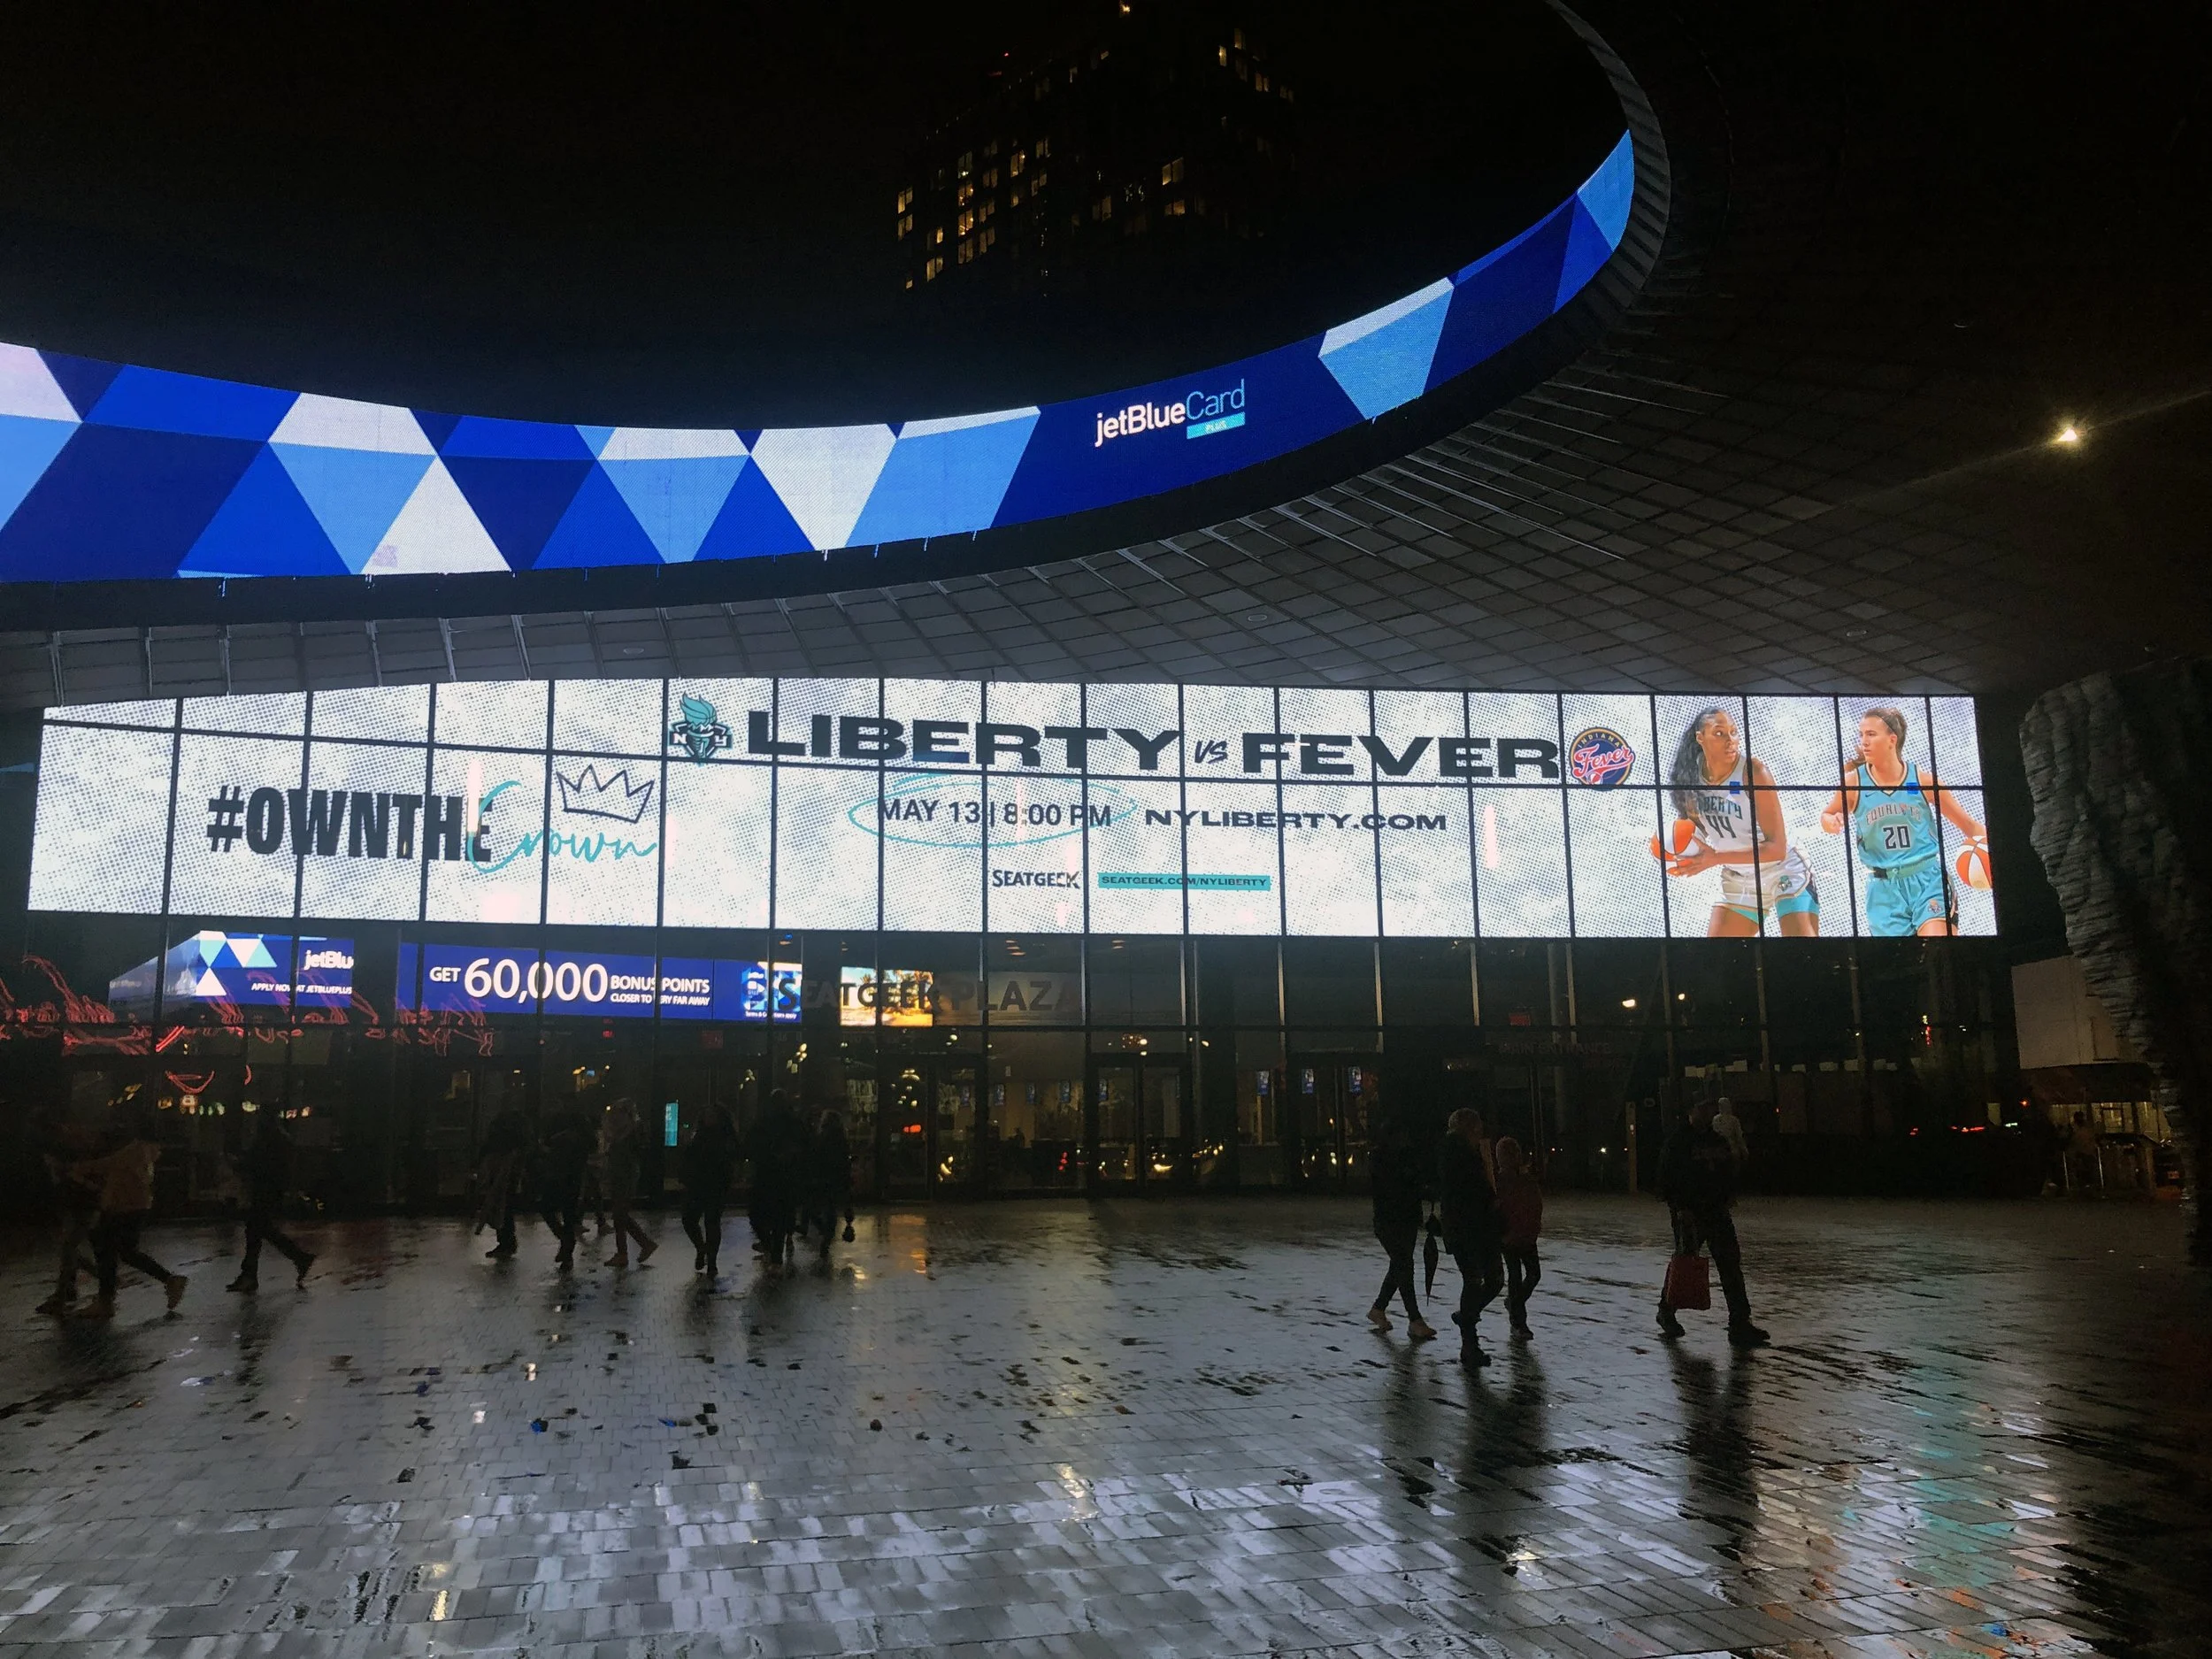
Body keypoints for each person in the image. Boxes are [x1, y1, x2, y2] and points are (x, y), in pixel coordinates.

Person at [1820, 705, 1986, 937]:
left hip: (1927, 880)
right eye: (1861, 735)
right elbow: (1827, 815)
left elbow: (1970, 826)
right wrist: (1831, 821)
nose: (1863, 742)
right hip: (1883, 888)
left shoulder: (1922, 780)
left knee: (1939, 953)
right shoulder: (1853, 783)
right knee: (1903, 967)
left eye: (1871, 734)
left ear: (1892, 739)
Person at [1663, 706, 1821, 936]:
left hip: (1782, 869)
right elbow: (1695, 827)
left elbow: (1776, 848)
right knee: (1715, 963)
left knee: (1801, 956)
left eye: (1734, 732)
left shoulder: (1753, 772)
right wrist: (1673, 849)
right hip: (1739, 877)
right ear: (1700, 738)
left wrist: (1714, 858)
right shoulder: (1690, 779)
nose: (1731, 740)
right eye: (1719, 733)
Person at [1655, 1098, 1768, 1346]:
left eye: (1709, 1108)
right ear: (1691, 1111)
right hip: (1691, 1214)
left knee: (1730, 1265)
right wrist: (1681, 1208)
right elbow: (1668, 1178)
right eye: (1702, 1108)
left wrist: (1728, 1196)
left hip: (1716, 1211)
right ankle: (1666, 1310)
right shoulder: (1678, 1142)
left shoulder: (1716, 1141)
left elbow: (1726, 1171)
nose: (1707, 1113)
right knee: (1685, 1263)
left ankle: (1740, 1322)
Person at [73, 1105, 187, 1318]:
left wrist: (81, 1167)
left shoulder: (135, 1150)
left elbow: (109, 1164)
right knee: (123, 1251)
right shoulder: (147, 1150)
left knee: (108, 1248)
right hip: (133, 1205)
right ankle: (166, 1281)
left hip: (123, 1206)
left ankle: (107, 1299)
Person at [1438, 1108, 1504, 1365]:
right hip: (1473, 1228)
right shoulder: (1461, 1156)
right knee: (1483, 1279)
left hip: (1466, 1227)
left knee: (1478, 1279)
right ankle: (1468, 1333)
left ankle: (1468, 1325)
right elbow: (1471, 1191)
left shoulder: (1457, 1154)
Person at [1365, 1102, 1435, 1339]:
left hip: (1396, 1219)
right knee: (1403, 1265)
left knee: (1400, 1265)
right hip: (1395, 1219)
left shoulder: (1389, 1158)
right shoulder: (1389, 1160)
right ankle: (1413, 1318)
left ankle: (1380, 1308)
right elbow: (1399, 1188)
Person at [226, 1107, 315, 1292]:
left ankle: (253, 1274)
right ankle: (296, 1259)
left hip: (263, 1189)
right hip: (272, 1191)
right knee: (259, 1230)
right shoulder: (281, 1138)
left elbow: (256, 1164)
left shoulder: (266, 1140)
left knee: (257, 1230)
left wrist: (238, 1163)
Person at [32, 1105, 102, 1317]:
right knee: (70, 1245)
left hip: (78, 1199)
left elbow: (71, 1171)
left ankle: (65, 1293)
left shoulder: (61, 1145)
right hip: (81, 1199)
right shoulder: (72, 1140)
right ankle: (74, 1287)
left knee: (69, 1246)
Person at [747, 1091, 807, 1268]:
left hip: (766, 1175)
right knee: (781, 1218)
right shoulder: (793, 1123)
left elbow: (750, 1143)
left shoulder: (762, 1122)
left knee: (758, 1216)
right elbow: (804, 1145)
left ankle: (771, 1248)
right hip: (784, 1176)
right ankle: (776, 1255)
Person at [680, 1103, 740, 1278]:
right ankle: (708, 1256)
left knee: (700, 1221)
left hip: (706, 1183)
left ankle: (706, 1254)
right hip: (712, 1183)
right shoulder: (724, 1137)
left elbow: (690, 1156)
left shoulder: (701, 1136)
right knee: (708, 1222)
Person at [1494, 1135, 1543, 1338]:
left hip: (1526, 1234)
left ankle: (1514, 1305)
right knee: (1516, 1276)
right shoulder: (1499, 1181)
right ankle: (1518, 1321)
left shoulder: (1525, 1179)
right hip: (1510, 1235)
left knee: (1533, 1274)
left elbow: (1535, 1203)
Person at [599, 1097, 657, 1267]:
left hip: (625, 1173)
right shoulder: (625, 1130)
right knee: (620, 1213)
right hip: (621, 1172)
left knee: (620, 1213)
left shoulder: (630, 1131)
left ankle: (629, 1250)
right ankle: (638, 1246)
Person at [537, 1105, 593, 1271]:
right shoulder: (582, 1132)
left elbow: (547, 1144)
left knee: (547, 1207)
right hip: (573, 1176)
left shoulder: (558, 1132)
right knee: (569, 1214)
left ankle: (565, 1243)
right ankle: (567, 1249)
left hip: (558, 1174)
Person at [477, 1099, 533, 1259]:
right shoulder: (520, 1124)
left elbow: (489, 1143)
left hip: (503, 1167)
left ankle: (506, 1241)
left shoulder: (500, 1123)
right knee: (505, 1205)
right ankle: (507, 1241)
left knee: (502, 1205)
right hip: (511, 1168)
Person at [803, 1110, 852, 1259]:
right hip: (836, 1178)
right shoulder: (841, 1138)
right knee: (830, 1209)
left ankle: (824, 1232)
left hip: (822, 1178)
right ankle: (827, 1237)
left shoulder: (822, 1137)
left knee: (813, 1208)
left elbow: (815, 1156)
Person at [1709, 1096, 1750, 1171]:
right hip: (1728, 1148)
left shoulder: (1717, 1119)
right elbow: (1739, 1136)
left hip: (1722, 1148)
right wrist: (1744, 1150)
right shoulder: (1733, 1120)